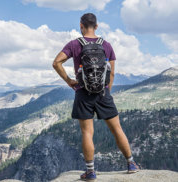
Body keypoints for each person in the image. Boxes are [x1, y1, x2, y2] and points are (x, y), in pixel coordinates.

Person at [52, 13, 140, 181]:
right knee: (117, 129)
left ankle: (90, 172)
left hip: (82, 93)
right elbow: (112, 72)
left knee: (87, 132)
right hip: (103, 93)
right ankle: (131, 164)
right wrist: (106, 90)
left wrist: (69, 81)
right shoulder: (106, 45)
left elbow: (56, 63)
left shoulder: (74, 44)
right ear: (97, 26)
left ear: (81, 25)